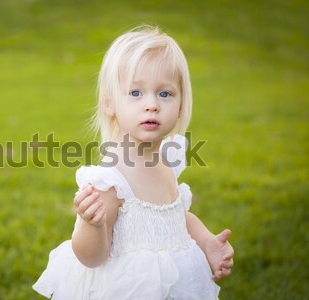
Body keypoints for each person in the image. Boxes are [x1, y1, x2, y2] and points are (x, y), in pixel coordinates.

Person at [33, 25, 234, 300]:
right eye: (136, 93)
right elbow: (92, 257)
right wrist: (91, 225)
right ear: (110, 103)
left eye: (164, 94)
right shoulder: (112, 179)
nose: (151, 104)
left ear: (180, 104)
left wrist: (207, 241)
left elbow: (175, 218)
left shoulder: (167, 161)